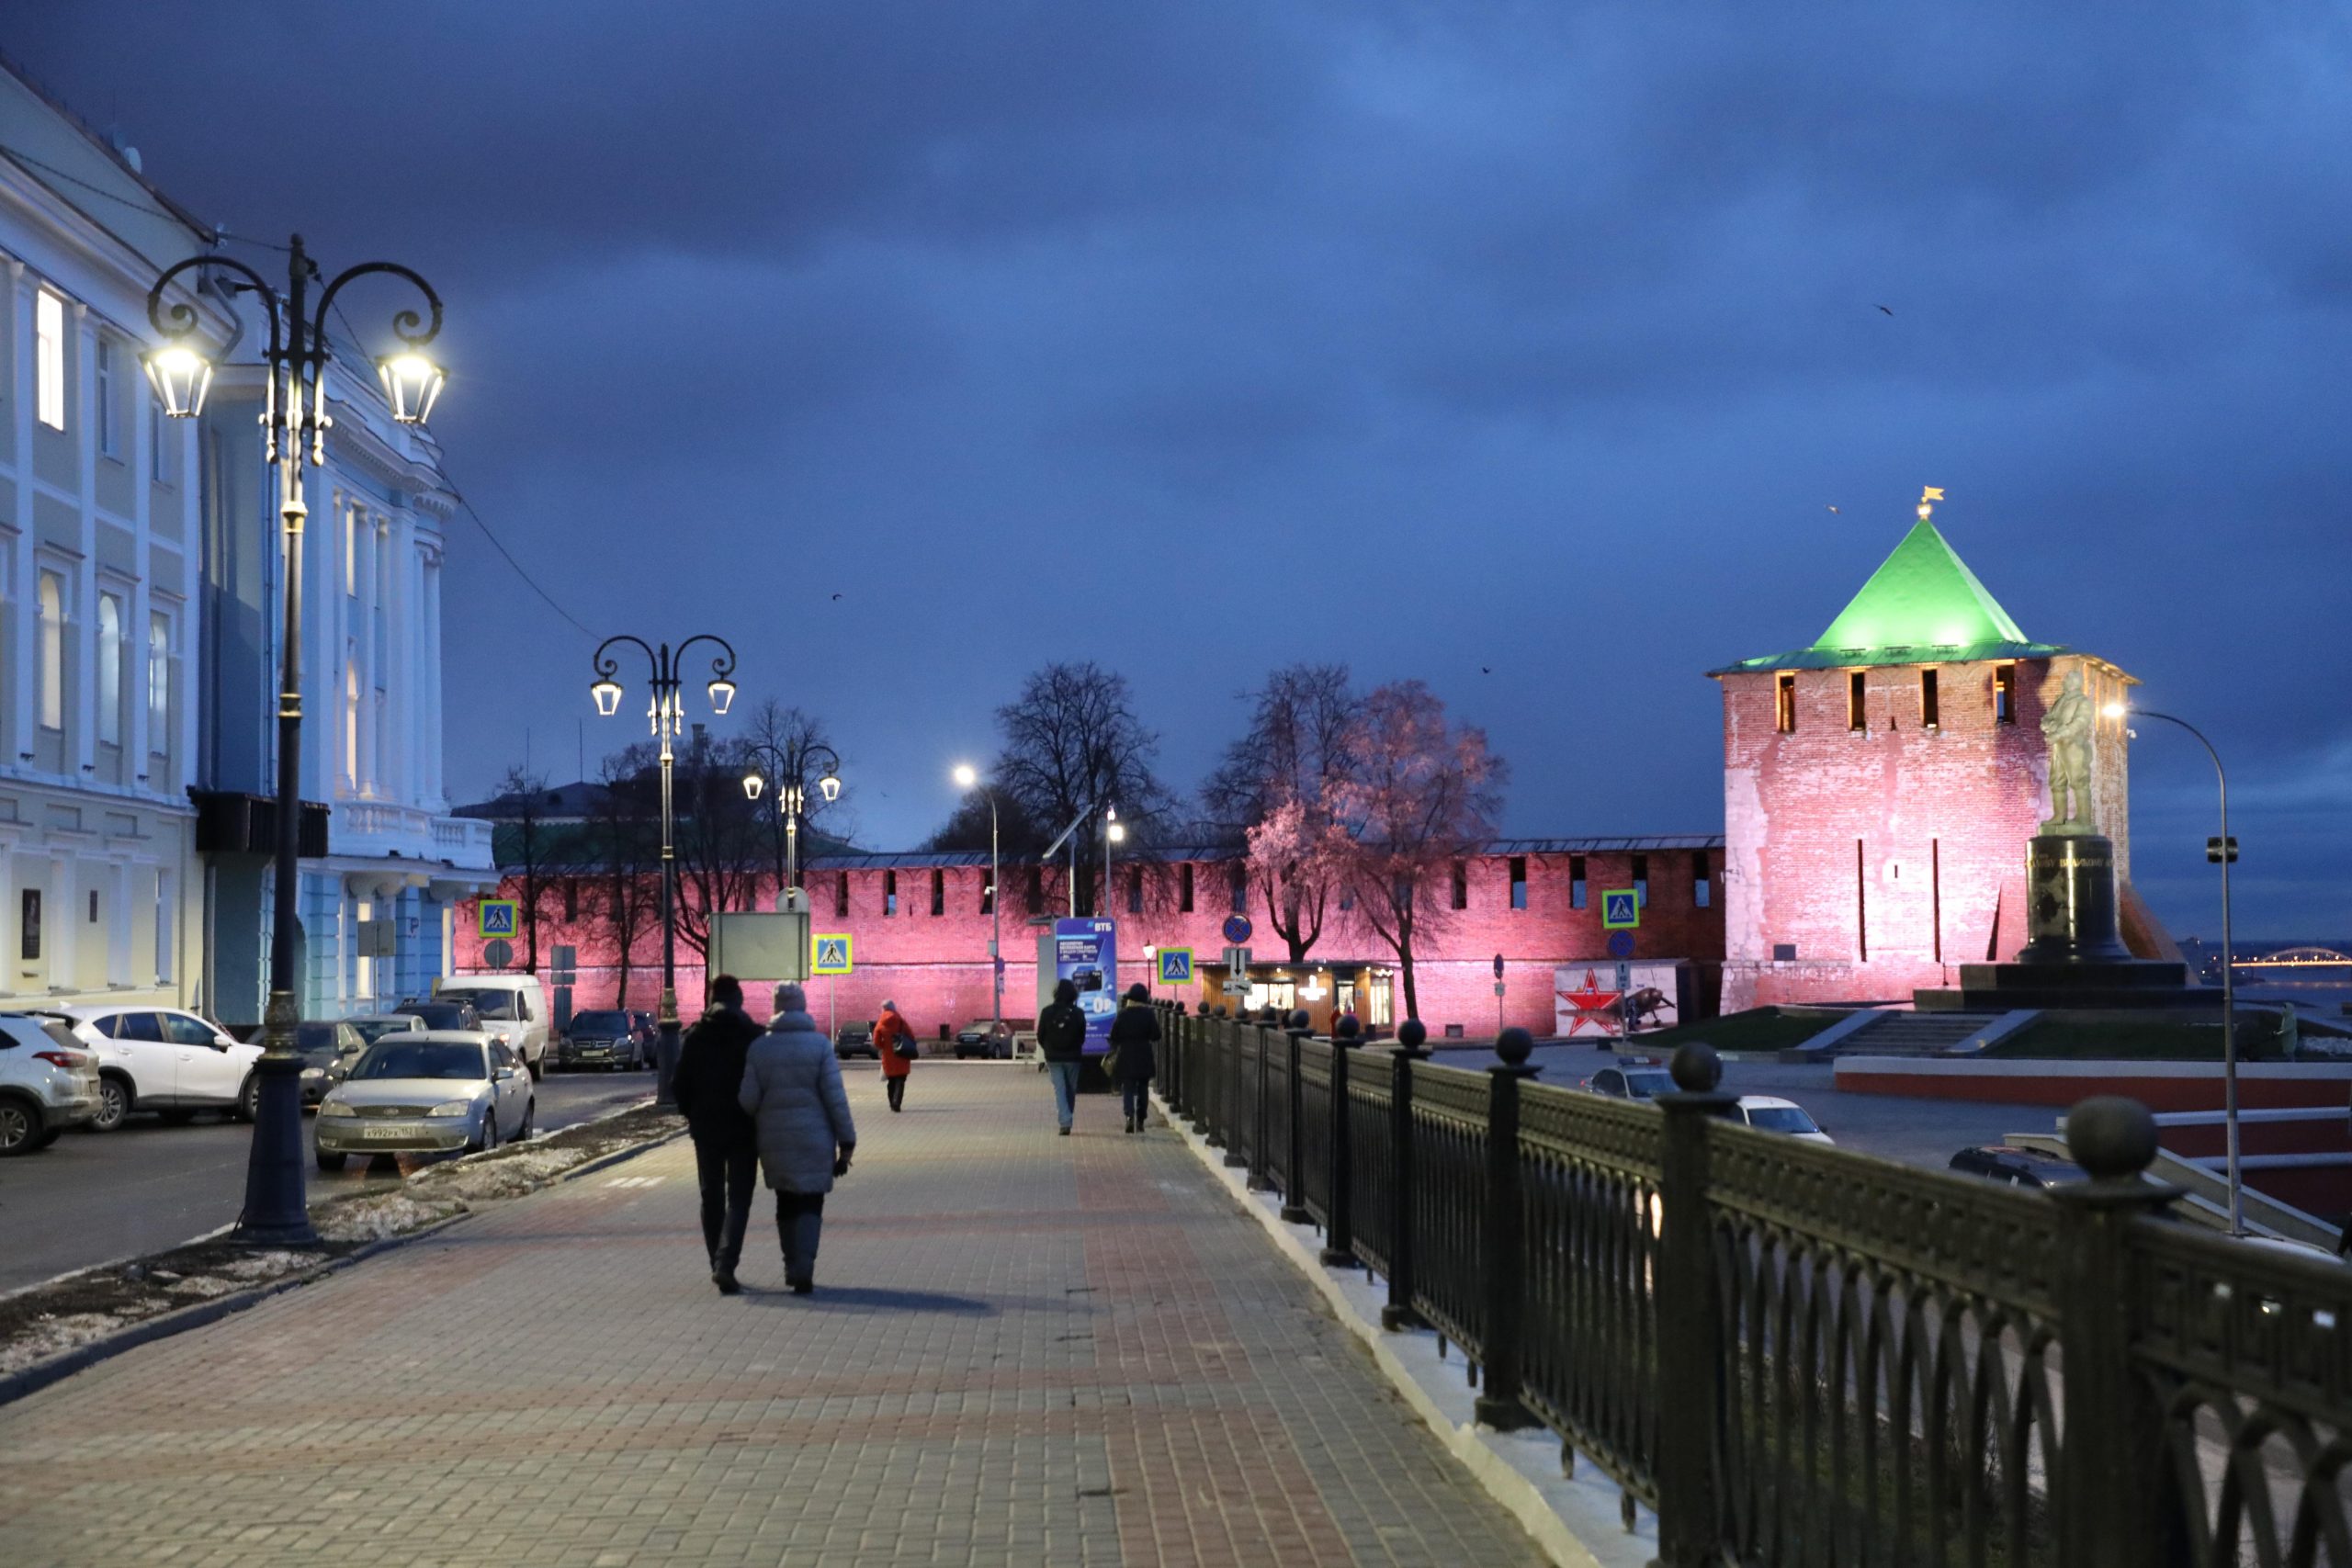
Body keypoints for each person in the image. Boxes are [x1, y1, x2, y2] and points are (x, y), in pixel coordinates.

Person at [739, 983, 856, 1293]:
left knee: (786, 1203)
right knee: (811, 1205)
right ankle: (804, 1267)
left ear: (776, 1008)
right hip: (815, 1143)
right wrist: (847, 1142)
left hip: (775, 1144)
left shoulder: (759, 1049)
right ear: (803, 1007)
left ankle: (791, 1265)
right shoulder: (819, 1047)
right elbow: (836, 1100)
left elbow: (748, 1101)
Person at [671, 974, 763, 1294]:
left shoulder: (696, 1036)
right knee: (739, 1197)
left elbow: (678, 1084)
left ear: (711, 999)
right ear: (739, 1000)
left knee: (710, 1195)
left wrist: (692, 1114)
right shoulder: (753, 1035)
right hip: (743, 1127)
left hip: (706, 1128)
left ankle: (716, 1263)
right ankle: (726, 1263)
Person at [1106, 983, 1159, 1134]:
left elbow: (1114, 1036)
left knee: (1128, 1088)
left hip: (1126, 1055)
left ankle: (1129, 1115)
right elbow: (1156, 1035)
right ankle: (1141, 1119)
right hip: (1144, 1055)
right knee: (1143, 1088)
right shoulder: (1149, 1014)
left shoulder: (1123, 1014)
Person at [1037, 978, 1089, 1135]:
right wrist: (1075, 1047)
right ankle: (1067, 1118)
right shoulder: (1078, 1013)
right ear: (1073, 994)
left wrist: (1048, 1048)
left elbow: (1040, 1035)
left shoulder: (1047, 1012)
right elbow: (1082, 1036)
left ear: (1056, 993)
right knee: (1070, 1090)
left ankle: (1065, 1122)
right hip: (1073, 1057)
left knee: (1059, 1089)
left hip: (1053, 1058)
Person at [874, 999, 915, 1112]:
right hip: (901, 1055)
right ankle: (897, 1102)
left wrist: (885, 1046)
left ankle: (892, 1103)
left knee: (891, 1081)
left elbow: (876, 1041)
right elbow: (911, 1036)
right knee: (900, 1080)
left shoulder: (880, 1023)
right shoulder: (901, 1021)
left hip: (888, 1057)